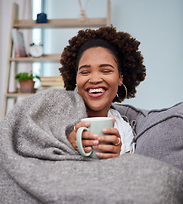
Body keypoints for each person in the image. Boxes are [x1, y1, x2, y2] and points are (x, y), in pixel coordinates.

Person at [59, 26, 146, 159]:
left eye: (106, 71)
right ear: (75, 78)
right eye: (85, 72)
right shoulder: (60, 117)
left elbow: (129, 171)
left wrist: (117, 158)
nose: (95, 79)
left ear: (120, 78)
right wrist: (65, 143)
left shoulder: (123, 128)